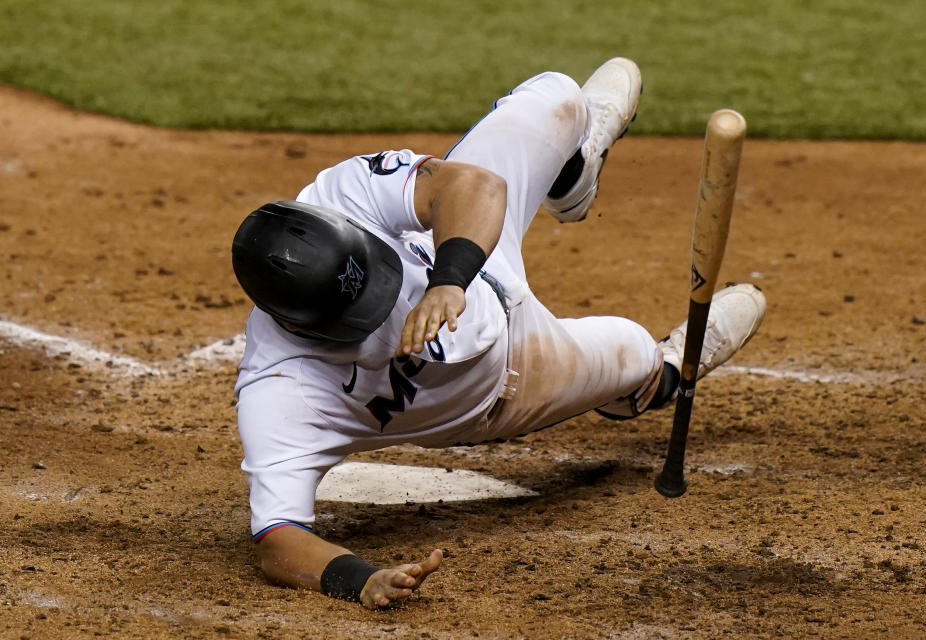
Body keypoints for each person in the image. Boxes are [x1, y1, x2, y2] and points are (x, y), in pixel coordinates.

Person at [230, 57, 766, 609]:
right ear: (295, 325)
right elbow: (278, 540)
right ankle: (660, 377)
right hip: (513, 379)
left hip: (481, 263)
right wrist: (360, 578)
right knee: (632, 347)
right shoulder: (280, 390)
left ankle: (572, 177)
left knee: (559, 99)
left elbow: (472, 183)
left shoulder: (341, 194)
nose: (386, 303)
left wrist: (448, 280)